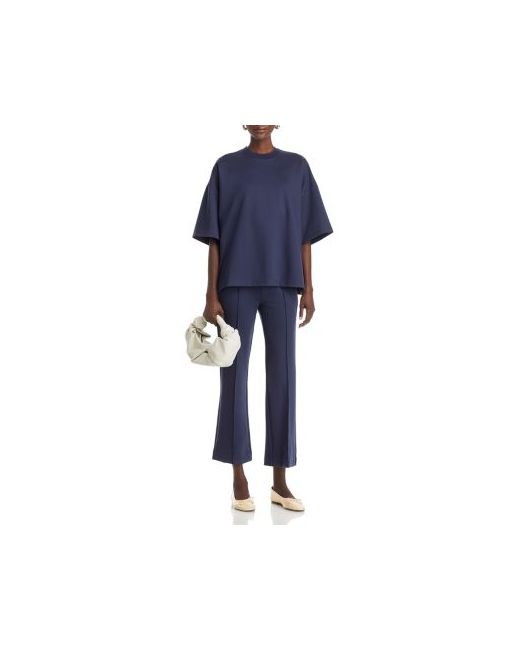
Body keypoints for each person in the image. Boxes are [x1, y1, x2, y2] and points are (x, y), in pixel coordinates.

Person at [192, 125, 333, 512]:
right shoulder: (225, 167)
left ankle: (280, 481)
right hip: (235, 283)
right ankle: (238, 476)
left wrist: (309, 288)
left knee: (283, 379)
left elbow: (305, 235)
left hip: (284, 284)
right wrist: (210, 293)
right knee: (234, 379)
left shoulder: (297, 168)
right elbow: (214, 237)